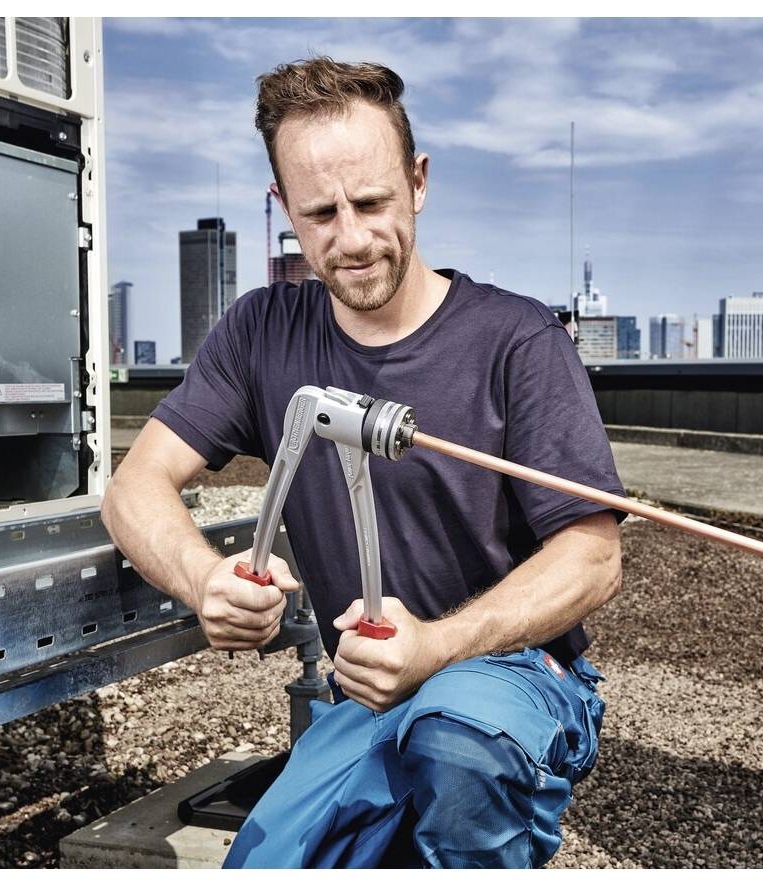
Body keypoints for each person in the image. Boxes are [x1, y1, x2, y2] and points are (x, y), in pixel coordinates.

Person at [101, 56, 625, 868]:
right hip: (369, 695)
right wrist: (201, 580)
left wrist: (436, 646)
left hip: (512, 675)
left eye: (372, 202)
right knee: (262, 865)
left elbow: (592, 558)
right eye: (318, 213)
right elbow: (133, 487)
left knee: (456, 751)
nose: (349, 240)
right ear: (281, 207)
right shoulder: (260, 332)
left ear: (417, 181)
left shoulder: (518, 341)